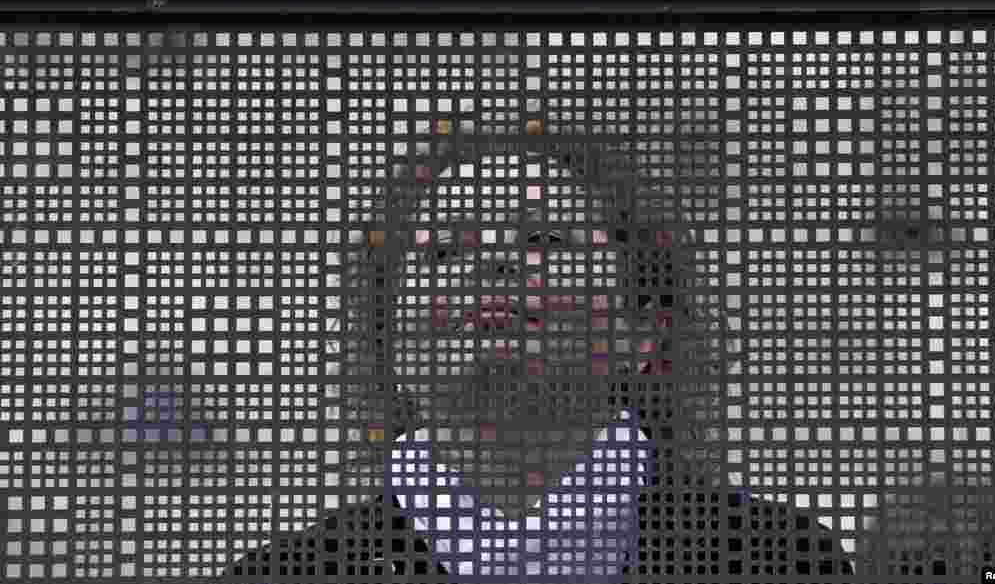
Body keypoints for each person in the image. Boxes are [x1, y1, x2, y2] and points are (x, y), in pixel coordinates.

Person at [218, 120, 854, 582]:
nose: (491, 262)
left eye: (544, 239)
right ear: (393, 345)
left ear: (642, 330)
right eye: (443, 251)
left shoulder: (779, 558)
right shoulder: (288, 572)